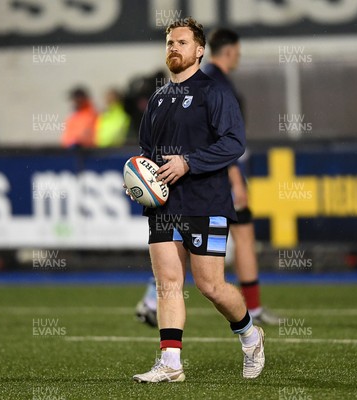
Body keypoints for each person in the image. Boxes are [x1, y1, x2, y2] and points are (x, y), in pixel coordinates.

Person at [127, 17, 265, 383]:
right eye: (170, 42)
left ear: (200, 50)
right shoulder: (157, 99)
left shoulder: (214, 92)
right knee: (168, 283)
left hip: (206, 201)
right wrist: (139, 181)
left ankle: (250, 334)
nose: (174, 48)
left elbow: (234, 143)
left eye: (182, 43)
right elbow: (146, 152)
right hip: (164, 206)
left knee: (211, 287)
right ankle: (171, 363)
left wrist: (188, 162)